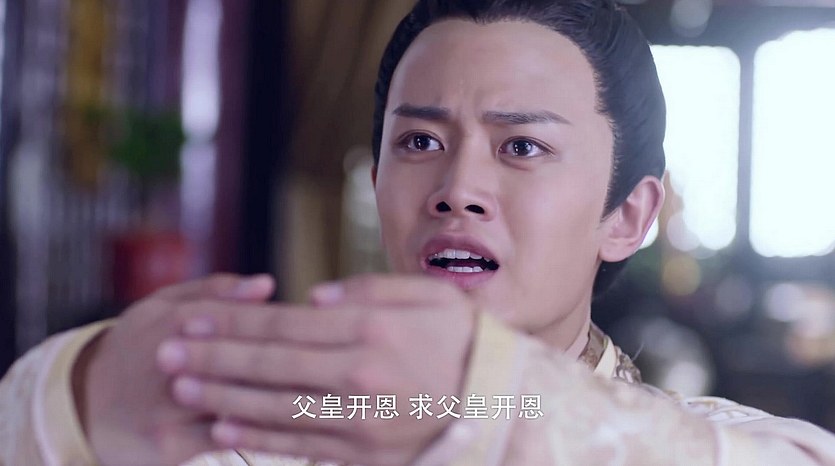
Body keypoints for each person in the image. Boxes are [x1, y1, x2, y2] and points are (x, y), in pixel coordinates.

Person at [2, 0, 835, 464]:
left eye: (521, 147)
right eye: (420, 143)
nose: (456, 190)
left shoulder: (718, 445)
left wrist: (482, 406)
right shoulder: (262, 436)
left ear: (628, 216)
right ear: (374, 181)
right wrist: (80, 400)